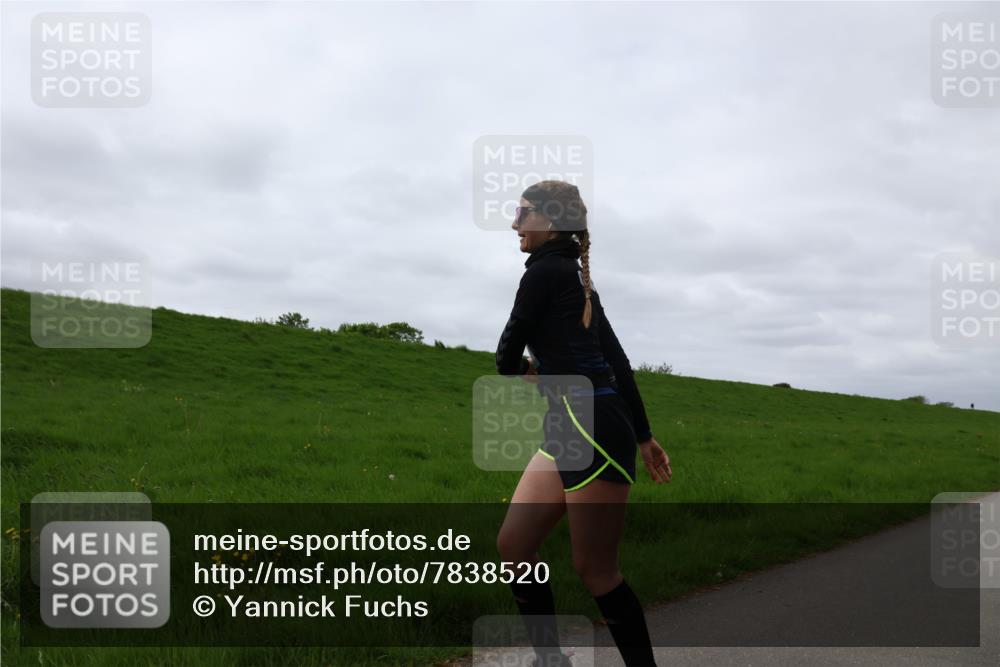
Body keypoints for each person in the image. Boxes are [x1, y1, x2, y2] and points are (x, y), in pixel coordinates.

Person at [494, 180, 672, 667]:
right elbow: (619, 362)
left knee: (595, 569)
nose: (514, 224)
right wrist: (645, 436)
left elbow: (507, 355)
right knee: (514, 545)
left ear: (549, 221)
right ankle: (552, 661)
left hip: (594, 429)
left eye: (522, 213)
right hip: (569, 427)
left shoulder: (548, 274)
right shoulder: (573, 278)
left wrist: (532, 371)